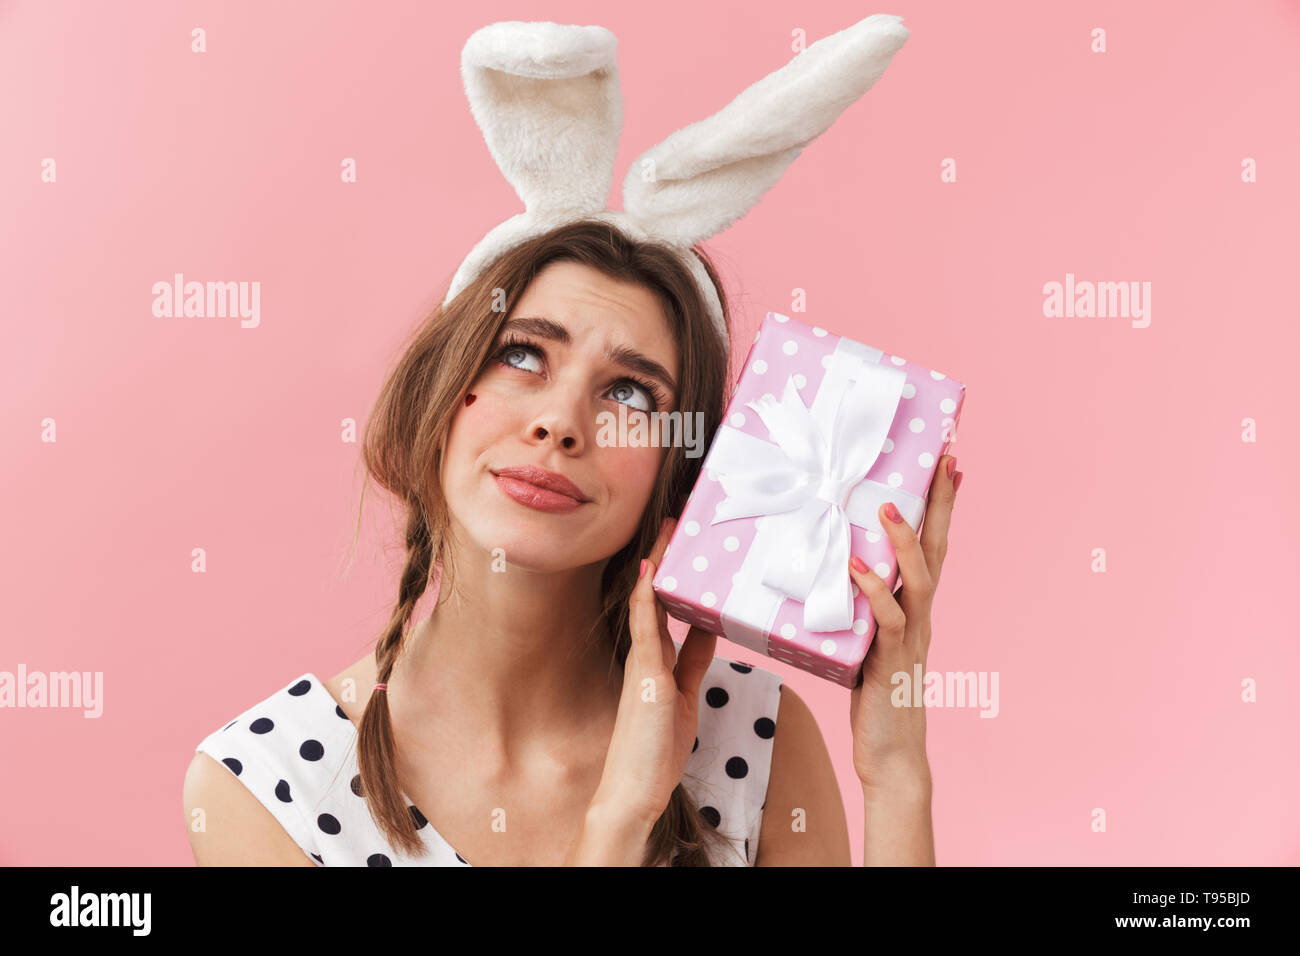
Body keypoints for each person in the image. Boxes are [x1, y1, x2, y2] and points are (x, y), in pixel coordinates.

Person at [182, 219, 960, 866]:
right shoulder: (265, 783)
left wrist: (894, 774)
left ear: (679, 477)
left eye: (628, 393)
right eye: (523, 355)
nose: (560, 421)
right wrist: (619, 821)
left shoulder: (756, 740)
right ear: (441, 397)